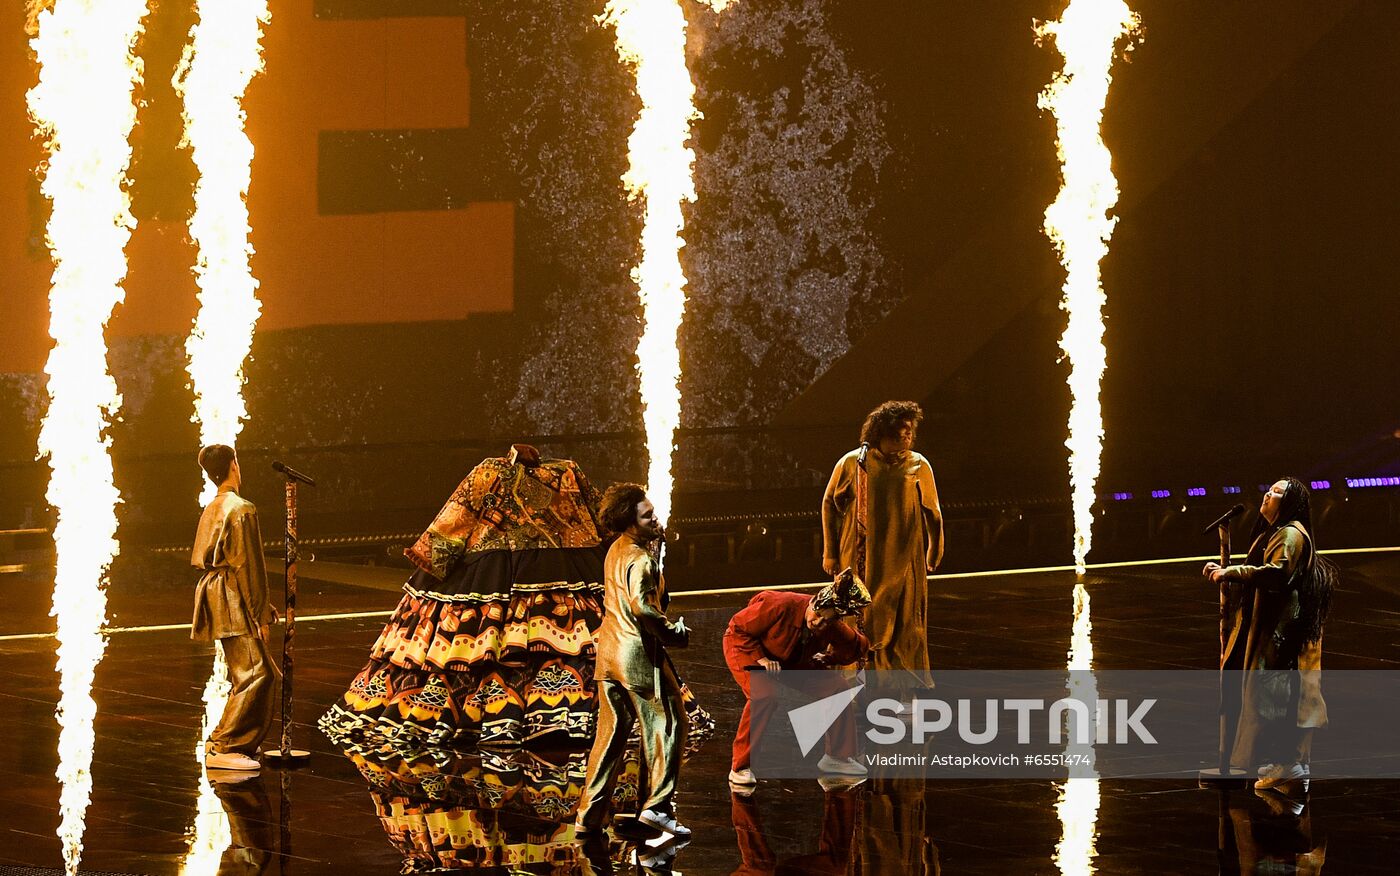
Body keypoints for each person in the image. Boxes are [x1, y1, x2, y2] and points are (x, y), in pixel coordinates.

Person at [1203, 476, 1335, 792]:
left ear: (1289, 502)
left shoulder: (1290, 534)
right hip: (1272, 627)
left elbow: (1277, 574)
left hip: (1282, 631)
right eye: (1268, 490)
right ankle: (1284, 763)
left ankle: (1289, 763)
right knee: (1265, 695)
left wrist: (1230, 573)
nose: (1267, 496)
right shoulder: (1276, 531)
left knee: (1274, 696)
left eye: (1276, 492)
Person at [574, 484, 691, 839]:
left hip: (609, 654)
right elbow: (642, 607)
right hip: (638, 656)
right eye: (647, 515)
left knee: (610, 736)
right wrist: (673, 632)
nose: (655, 518)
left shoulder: (617, 550)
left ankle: (588, 815)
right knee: (669, 724)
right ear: (630, 521)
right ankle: (657, 808)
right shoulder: (640, 558)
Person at [821, 401, 943, 681]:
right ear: (882, 432)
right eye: (900, 432)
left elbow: (933, 511)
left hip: (903, 556)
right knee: (856, 614)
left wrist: (935, 547)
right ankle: (851, 683)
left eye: (910, 432)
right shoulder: (855, 462)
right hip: (860, 553)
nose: (906, 437)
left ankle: (901, 688)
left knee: (905, 622)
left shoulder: (917, 464)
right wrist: (830, 551)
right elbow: (829, 502)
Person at [723, 571, 871, 786]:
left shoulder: (831, 626)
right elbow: (737, 629)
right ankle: (740, 767)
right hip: (747, 648)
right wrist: (761, 659)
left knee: (836, 687)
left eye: (826, 621)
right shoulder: (781, 605)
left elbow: (858, 646)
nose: (817, 622)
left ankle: (837, 758)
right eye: (817, 614)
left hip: (791, 659)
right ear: (813, 603)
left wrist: (828, 658)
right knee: (764, 695)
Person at [192, 444, 280, 772]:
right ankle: (224, 744)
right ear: (234, 465)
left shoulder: (214, 506)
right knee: (256, 674)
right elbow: (248, 565)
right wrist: (259, 614)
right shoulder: (241, 509)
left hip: (220, 592)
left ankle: (234, 742)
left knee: (254, 672)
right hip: (230, 596)